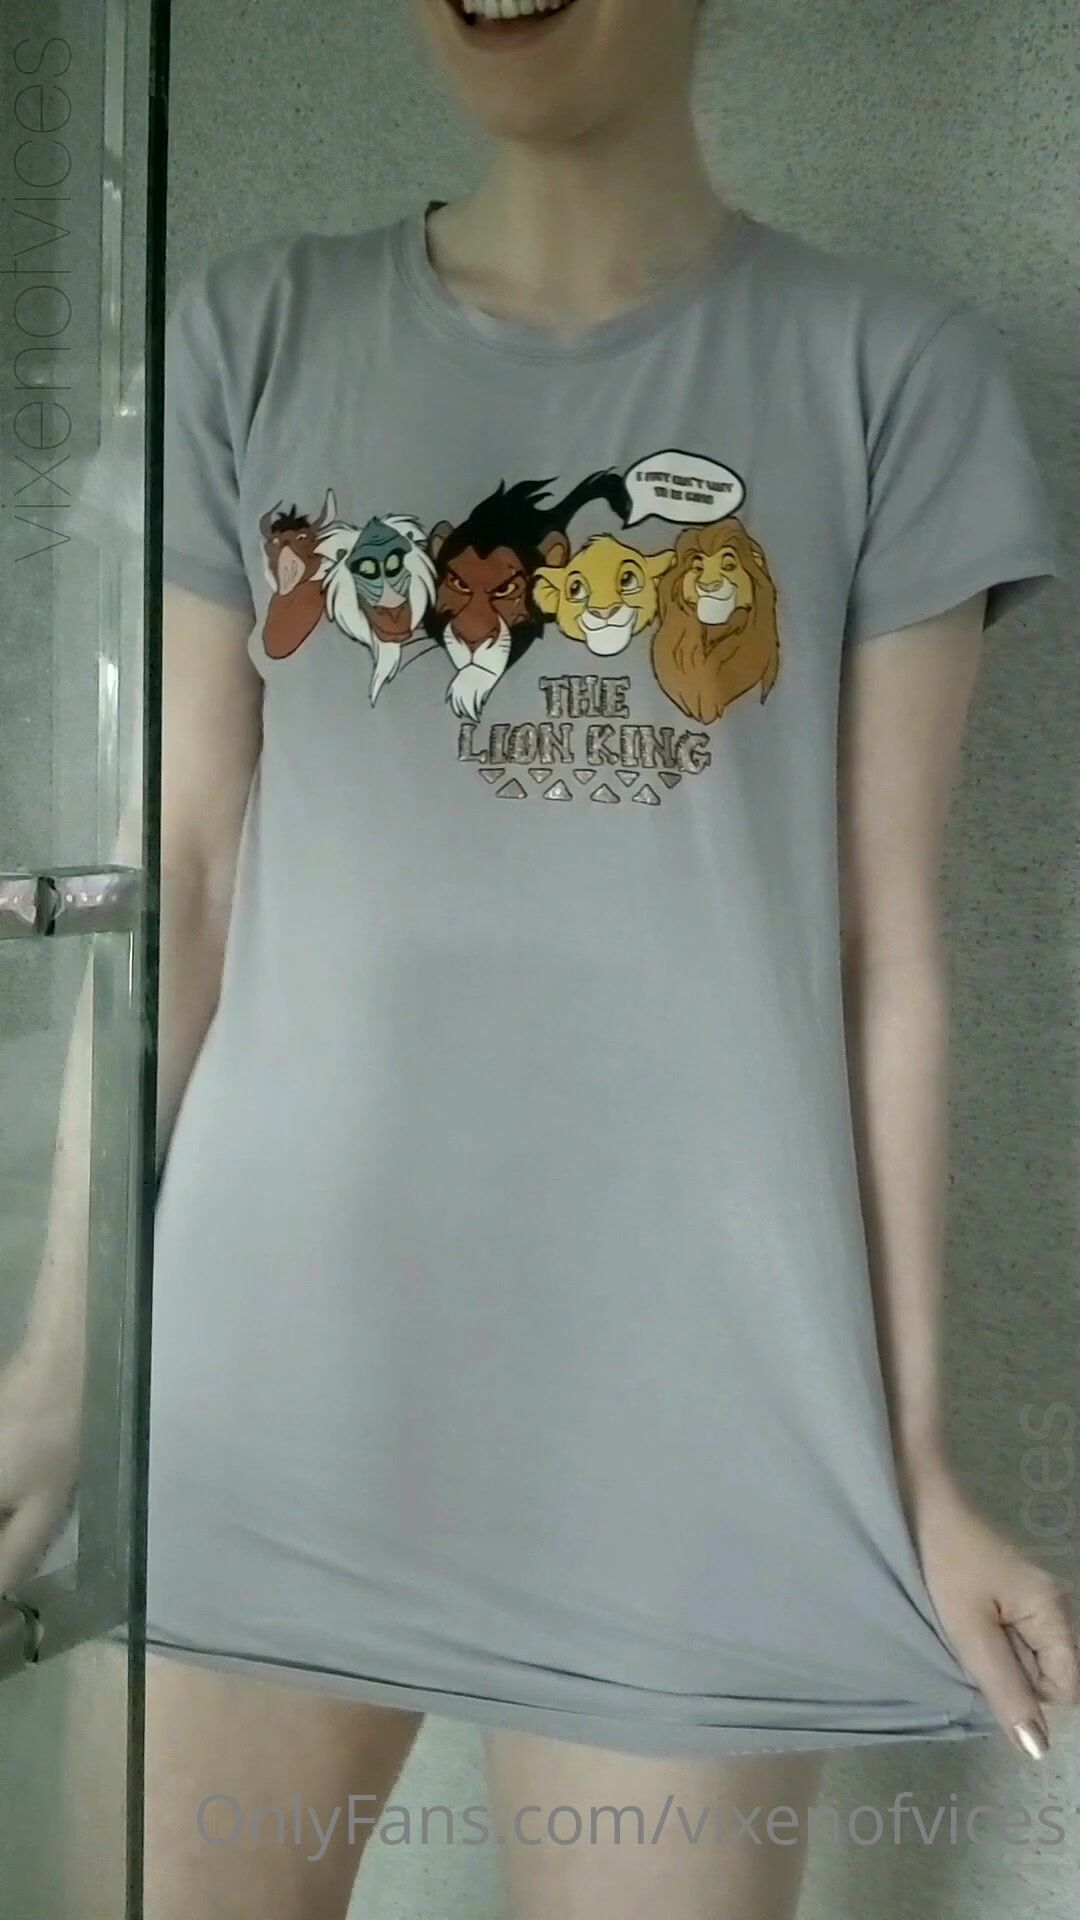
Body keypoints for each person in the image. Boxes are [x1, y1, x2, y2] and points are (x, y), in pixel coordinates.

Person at [2, 1, 1077, 1916]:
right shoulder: (254, 340)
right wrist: (55, 1382)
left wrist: (907, 1463)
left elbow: (880, 956)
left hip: (702, 1437)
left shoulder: (888, 377)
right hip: (262, 1393)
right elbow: (178, 883)